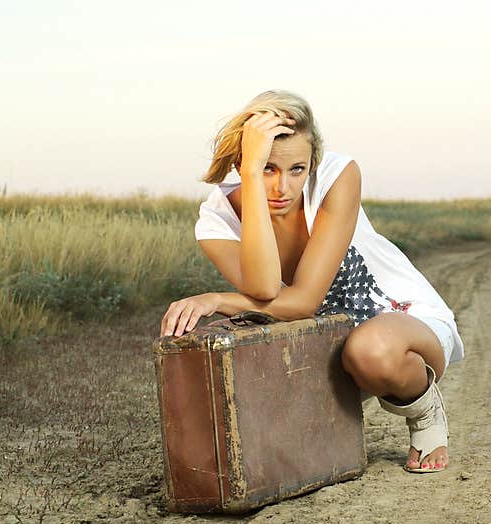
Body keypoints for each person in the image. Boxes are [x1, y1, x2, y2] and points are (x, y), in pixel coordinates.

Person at [160, 90, 464, 473]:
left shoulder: (337, 177)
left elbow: (301, 303)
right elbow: (266, 288)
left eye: (296, 170)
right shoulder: (216, 222)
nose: (283, 188)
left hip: (402, 328)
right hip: (323, 347)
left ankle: (425, 413)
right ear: (241, 162)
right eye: (268, 168)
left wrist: (219, 299)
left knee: (369, 349)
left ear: (312, 164)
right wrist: (250, 176)